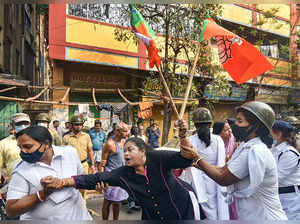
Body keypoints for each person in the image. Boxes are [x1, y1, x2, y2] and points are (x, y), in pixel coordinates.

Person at [41, 137, 201, 220]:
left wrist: (183, 136)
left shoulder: (159, 158)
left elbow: (185, 159)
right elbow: (94, 178)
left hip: (182, 205)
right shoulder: (123, 174)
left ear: (143, 151)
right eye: (124, 151)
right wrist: (61, 182)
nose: (125, 154)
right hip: (152, 213)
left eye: (130, 150)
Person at [179, 101, 287, 220]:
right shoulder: (245, 147)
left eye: (240, 121)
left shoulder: (255, 151)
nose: (234, 124)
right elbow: (222, 169)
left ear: (255, 126)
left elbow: (223, 177)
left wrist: (196, 158)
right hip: (252, 217)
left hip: (266, 218)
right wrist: (196, 163)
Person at [6, 126, 92, 220]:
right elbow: (11, 210)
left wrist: (64, 182)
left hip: (79, 218)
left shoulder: (70, 153)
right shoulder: (20, 171)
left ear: (46, 143)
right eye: (20, 147)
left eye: (28, 146)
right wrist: (41, 194)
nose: (23, 151)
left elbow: (81, 179)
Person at [183, 107, 229, 220]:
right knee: (215, 211)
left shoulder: (190, 140)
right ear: (210, 123)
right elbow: (221, 163)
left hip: (197, 183)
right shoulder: (218, 140)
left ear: (195, 124)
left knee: (199, 212)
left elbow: (185, 161)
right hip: (215, 179)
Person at [99, 122, 129, 220]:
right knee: (107, 202)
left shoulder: (125, 142)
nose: (127, 133)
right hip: (111, 176)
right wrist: (102, 179)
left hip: (122, 176)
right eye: (125, 131)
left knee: (118, 202)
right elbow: (102, 163)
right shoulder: (109, 144)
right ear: (117, 131)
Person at [271, 120, 300, 220]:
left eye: (270, 131)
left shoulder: (289, 153)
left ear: (278, 134)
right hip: (278, 196)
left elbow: (276, 177)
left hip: (290, 198)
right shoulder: (274, 150)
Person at [63, 115, 95, 203]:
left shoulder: (86, 136)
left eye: (80, 124)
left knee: (83, 187)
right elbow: (63, 154)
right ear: (71, 125)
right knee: (71, 186)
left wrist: (92, 165)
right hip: (70, 165)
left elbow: (90, 151)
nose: (79, 126)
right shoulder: (66, 138)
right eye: (76, 125)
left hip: (83, 165)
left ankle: (82, 207)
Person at [212, 121, 238, 220]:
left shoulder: (234, 141)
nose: (230, 131)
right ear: (218, 132)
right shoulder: (213, 143)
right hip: (216, 179)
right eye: (226, 130)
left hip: (230, 180)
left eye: (230, 129)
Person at [0, 113, 31, 183]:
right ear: (12, 126)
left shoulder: (38, 141)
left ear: (30, 124)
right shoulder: (3, 143)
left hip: (36, 186)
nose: (23, 126)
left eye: (26, 123)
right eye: (19, 124)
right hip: (13, 185)